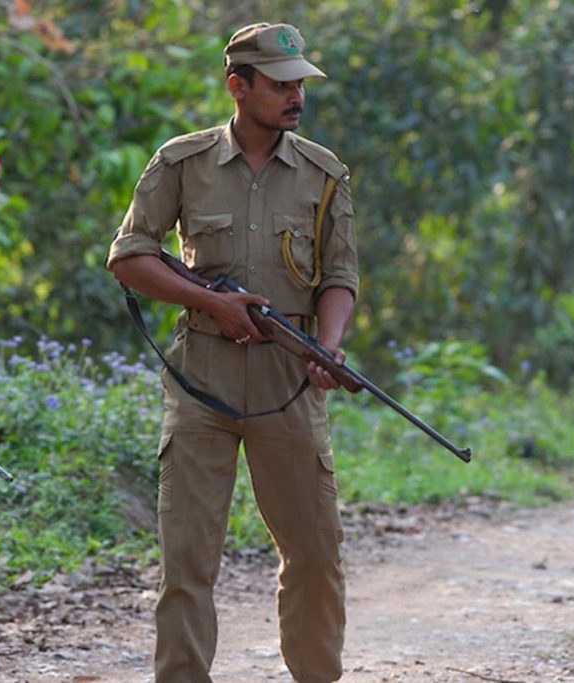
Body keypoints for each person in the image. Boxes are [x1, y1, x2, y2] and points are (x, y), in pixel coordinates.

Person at [107, 22, 358, 683]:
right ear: (237, 87)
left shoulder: (324, 173)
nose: (294, 95)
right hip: (202, 382)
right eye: (279, 85)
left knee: (314, 553)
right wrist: (214, 302)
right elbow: (129, 256)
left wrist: (326, 349)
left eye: (299, 83)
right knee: (187, 561)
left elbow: (340, 279)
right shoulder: (182, 162)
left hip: (289, 380)